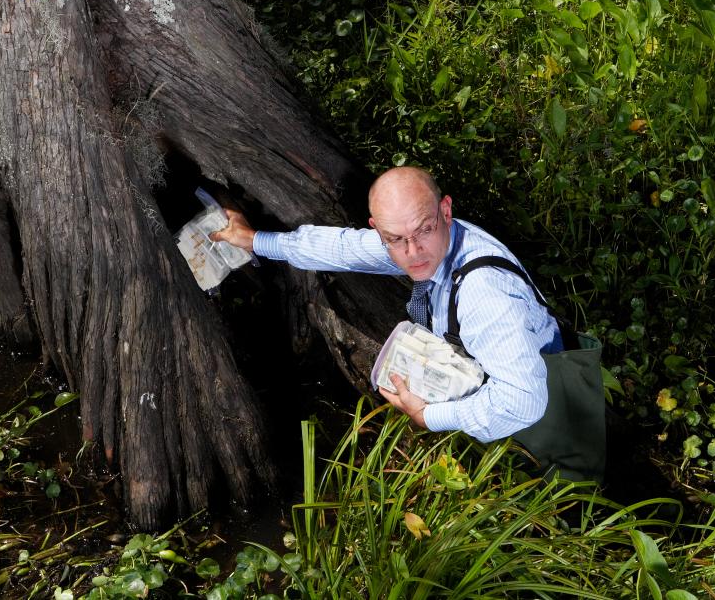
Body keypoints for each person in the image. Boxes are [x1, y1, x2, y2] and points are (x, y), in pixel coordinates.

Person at [211, 166, 603, 480]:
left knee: (567, 502)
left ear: (445, 211)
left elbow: (523, 402)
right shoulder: (423, 240)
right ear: (378, 229)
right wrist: (254, 240)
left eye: (424, 231)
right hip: (508, 396)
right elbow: (343, 248)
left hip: (546, 416)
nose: (412, 252)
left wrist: (429, 416)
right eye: (394, 239)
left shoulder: (484, 294)